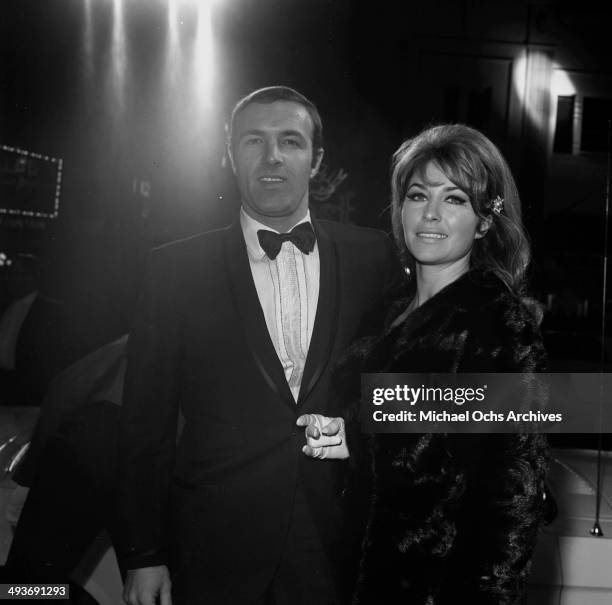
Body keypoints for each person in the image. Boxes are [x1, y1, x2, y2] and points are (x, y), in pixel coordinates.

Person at [116, 86, 399, 605]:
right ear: (230, 155)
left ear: (316, 160)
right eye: (253, 141)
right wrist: (142, 554)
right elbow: (144, 425)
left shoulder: (372, 257)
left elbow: (393, 391)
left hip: (334, 548)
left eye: (290, 142)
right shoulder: (174, 269)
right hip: (211, 549)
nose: (272, 157)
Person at [305, 124, 550, 603]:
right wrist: (346, 436)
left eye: (455, 199)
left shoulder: (500, 327)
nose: (431, 214)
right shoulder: (385, 311)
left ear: (484, 221)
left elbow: (513, 500)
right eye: (418, 195)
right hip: (353, 577)